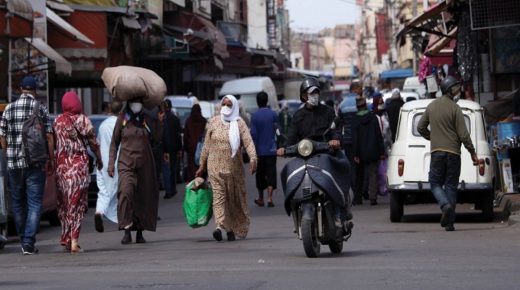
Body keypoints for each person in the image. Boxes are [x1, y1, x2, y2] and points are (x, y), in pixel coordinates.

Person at [277, 77, 353, 227]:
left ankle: (339, 210)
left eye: (316, 92)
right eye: (311, 93)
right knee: (286, 171)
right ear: (304, 95)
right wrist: (284, 148)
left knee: (342, 165)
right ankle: (294, 207)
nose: (314, 95)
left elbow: (336, 130)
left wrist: (335, 140)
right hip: (304, 155)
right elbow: (291, 136)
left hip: (326, 153)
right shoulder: (298, 116)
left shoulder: (328, 112)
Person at [0, 76, 55, 255]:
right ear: (35, 90)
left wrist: (8, 152)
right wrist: (51, 158)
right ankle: (29, 242)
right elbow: (49, 136)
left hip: (14, 163)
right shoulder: (40, 109)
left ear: (21, 89)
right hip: (35, 161)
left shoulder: (9, 108)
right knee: (34, 202)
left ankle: (24, 238)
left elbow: (2, 136)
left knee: (17, 202)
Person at [417, 76, 478, 231]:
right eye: (455, 88)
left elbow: (420, 127)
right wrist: (472, 153)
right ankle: (449, 221)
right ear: (449, 90)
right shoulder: (455, 108)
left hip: (437, 152)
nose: (457, 91)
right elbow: (464, 135)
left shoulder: (432, 106)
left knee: (435, 183)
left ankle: (445, 207)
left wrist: (432, 137)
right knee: (451, 186)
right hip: (454, 153)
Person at [195, 95, 257, 242]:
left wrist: (253, 158)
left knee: (232, 199)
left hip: (234, 169)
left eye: (229, 105)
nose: (226, 107)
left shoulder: (239, 123)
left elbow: (248, 142)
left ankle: (230, 229)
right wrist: (201, 166)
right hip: (214, 167)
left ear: (234, 106)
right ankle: (219, 226)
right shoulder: (213, 122)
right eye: (224, 104)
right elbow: (206, 146)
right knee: (218, 197)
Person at [53, 91, 103, 253]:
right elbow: (94, 144)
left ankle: (67, 238)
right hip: (79, 169)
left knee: (65, 205)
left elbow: (53, 143)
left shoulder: (57, 121)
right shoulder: (84, 121)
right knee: (78, 204)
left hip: (62, 169)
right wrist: (99, 159)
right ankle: (74, 240)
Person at [108, 97, 162, 244]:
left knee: (142, 197)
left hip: (145, 164)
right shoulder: (123, 119)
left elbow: (157, 137)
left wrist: (159, 120)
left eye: (139, 101)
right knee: (126, 192)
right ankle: (126, 229)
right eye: (134, 101)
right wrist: (111, 164)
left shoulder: (146, 119)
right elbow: (114, 143)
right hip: (126, 163)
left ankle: (139, 231)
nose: (136, 105)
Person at [94, 99, 123, 233]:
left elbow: (97, 145)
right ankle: (122, 220)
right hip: (119, 162)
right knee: (120, 192)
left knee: (104, 191)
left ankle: (99, 212)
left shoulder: (103, 126)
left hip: (103, 163)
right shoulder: (122, 124)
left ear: (110, 110)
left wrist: (98, 160)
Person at [352, 96, 385, 206]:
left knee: (359, 176)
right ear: (365, 105)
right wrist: (381, 151)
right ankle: (373, 198)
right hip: (373, 149)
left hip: (360, 151)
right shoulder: (373, 117)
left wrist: (355, 153)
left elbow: (355, 138)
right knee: (373, 174)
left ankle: (358, 198)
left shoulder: (355, 119)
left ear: (357, 107)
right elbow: (378, 135)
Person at [250, 91, 278, 207]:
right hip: (271, 149)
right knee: (271, 173)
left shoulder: (254, 116)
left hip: (259, 151)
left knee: (260, 174)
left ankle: (261, 198)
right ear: (267, 101)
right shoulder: (273, 114)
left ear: (257, 102)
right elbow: (277, 130)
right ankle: (270, 198)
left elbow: (253, 134)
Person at [372, 93, 392, 196]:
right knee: (380, 168)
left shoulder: (384, 115)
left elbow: (387, 132)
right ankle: (381, 187)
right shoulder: (374, 117)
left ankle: (384, 187)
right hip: (379, 144)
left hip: (385, 143)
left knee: (384, 167)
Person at [161, 99, 182, 198]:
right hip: (174, 148)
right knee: (173, 169)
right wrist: (179, 149)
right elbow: (178, 135)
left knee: (166, 170)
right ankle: (173, 189)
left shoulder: (162, 118)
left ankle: (168, 190)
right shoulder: (175, 118)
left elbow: (162, 134)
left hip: (165, 148)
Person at [183, 104, 206, 182]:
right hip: (201, 149)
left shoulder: (188, 121)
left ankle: (194, 190)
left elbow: (185, 136)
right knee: (201, 170)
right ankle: (201, 188)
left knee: (192, 172)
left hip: (191, 150)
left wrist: (186, 148)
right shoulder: (203, 121)